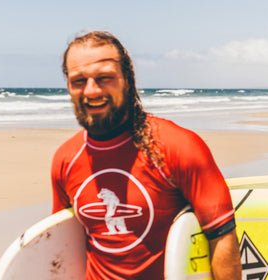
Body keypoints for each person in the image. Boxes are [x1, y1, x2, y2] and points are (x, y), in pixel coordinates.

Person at [51, 31, 240, 279]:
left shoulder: (177, 147)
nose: (92, 90)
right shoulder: (66, 159)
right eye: (78, 81)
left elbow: (222, 236)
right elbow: (59, 245)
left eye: (104, 78)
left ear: (127, 80)